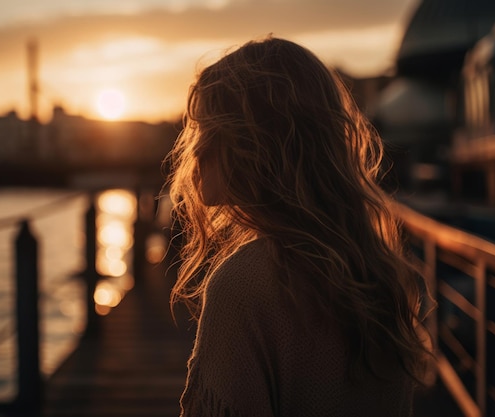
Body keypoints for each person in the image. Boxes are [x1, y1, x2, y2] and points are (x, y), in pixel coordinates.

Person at [166, 36, 432, 417]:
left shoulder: (244, 285)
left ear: (255, 145)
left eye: (209, 129)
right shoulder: (373, 270)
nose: (195, 149)